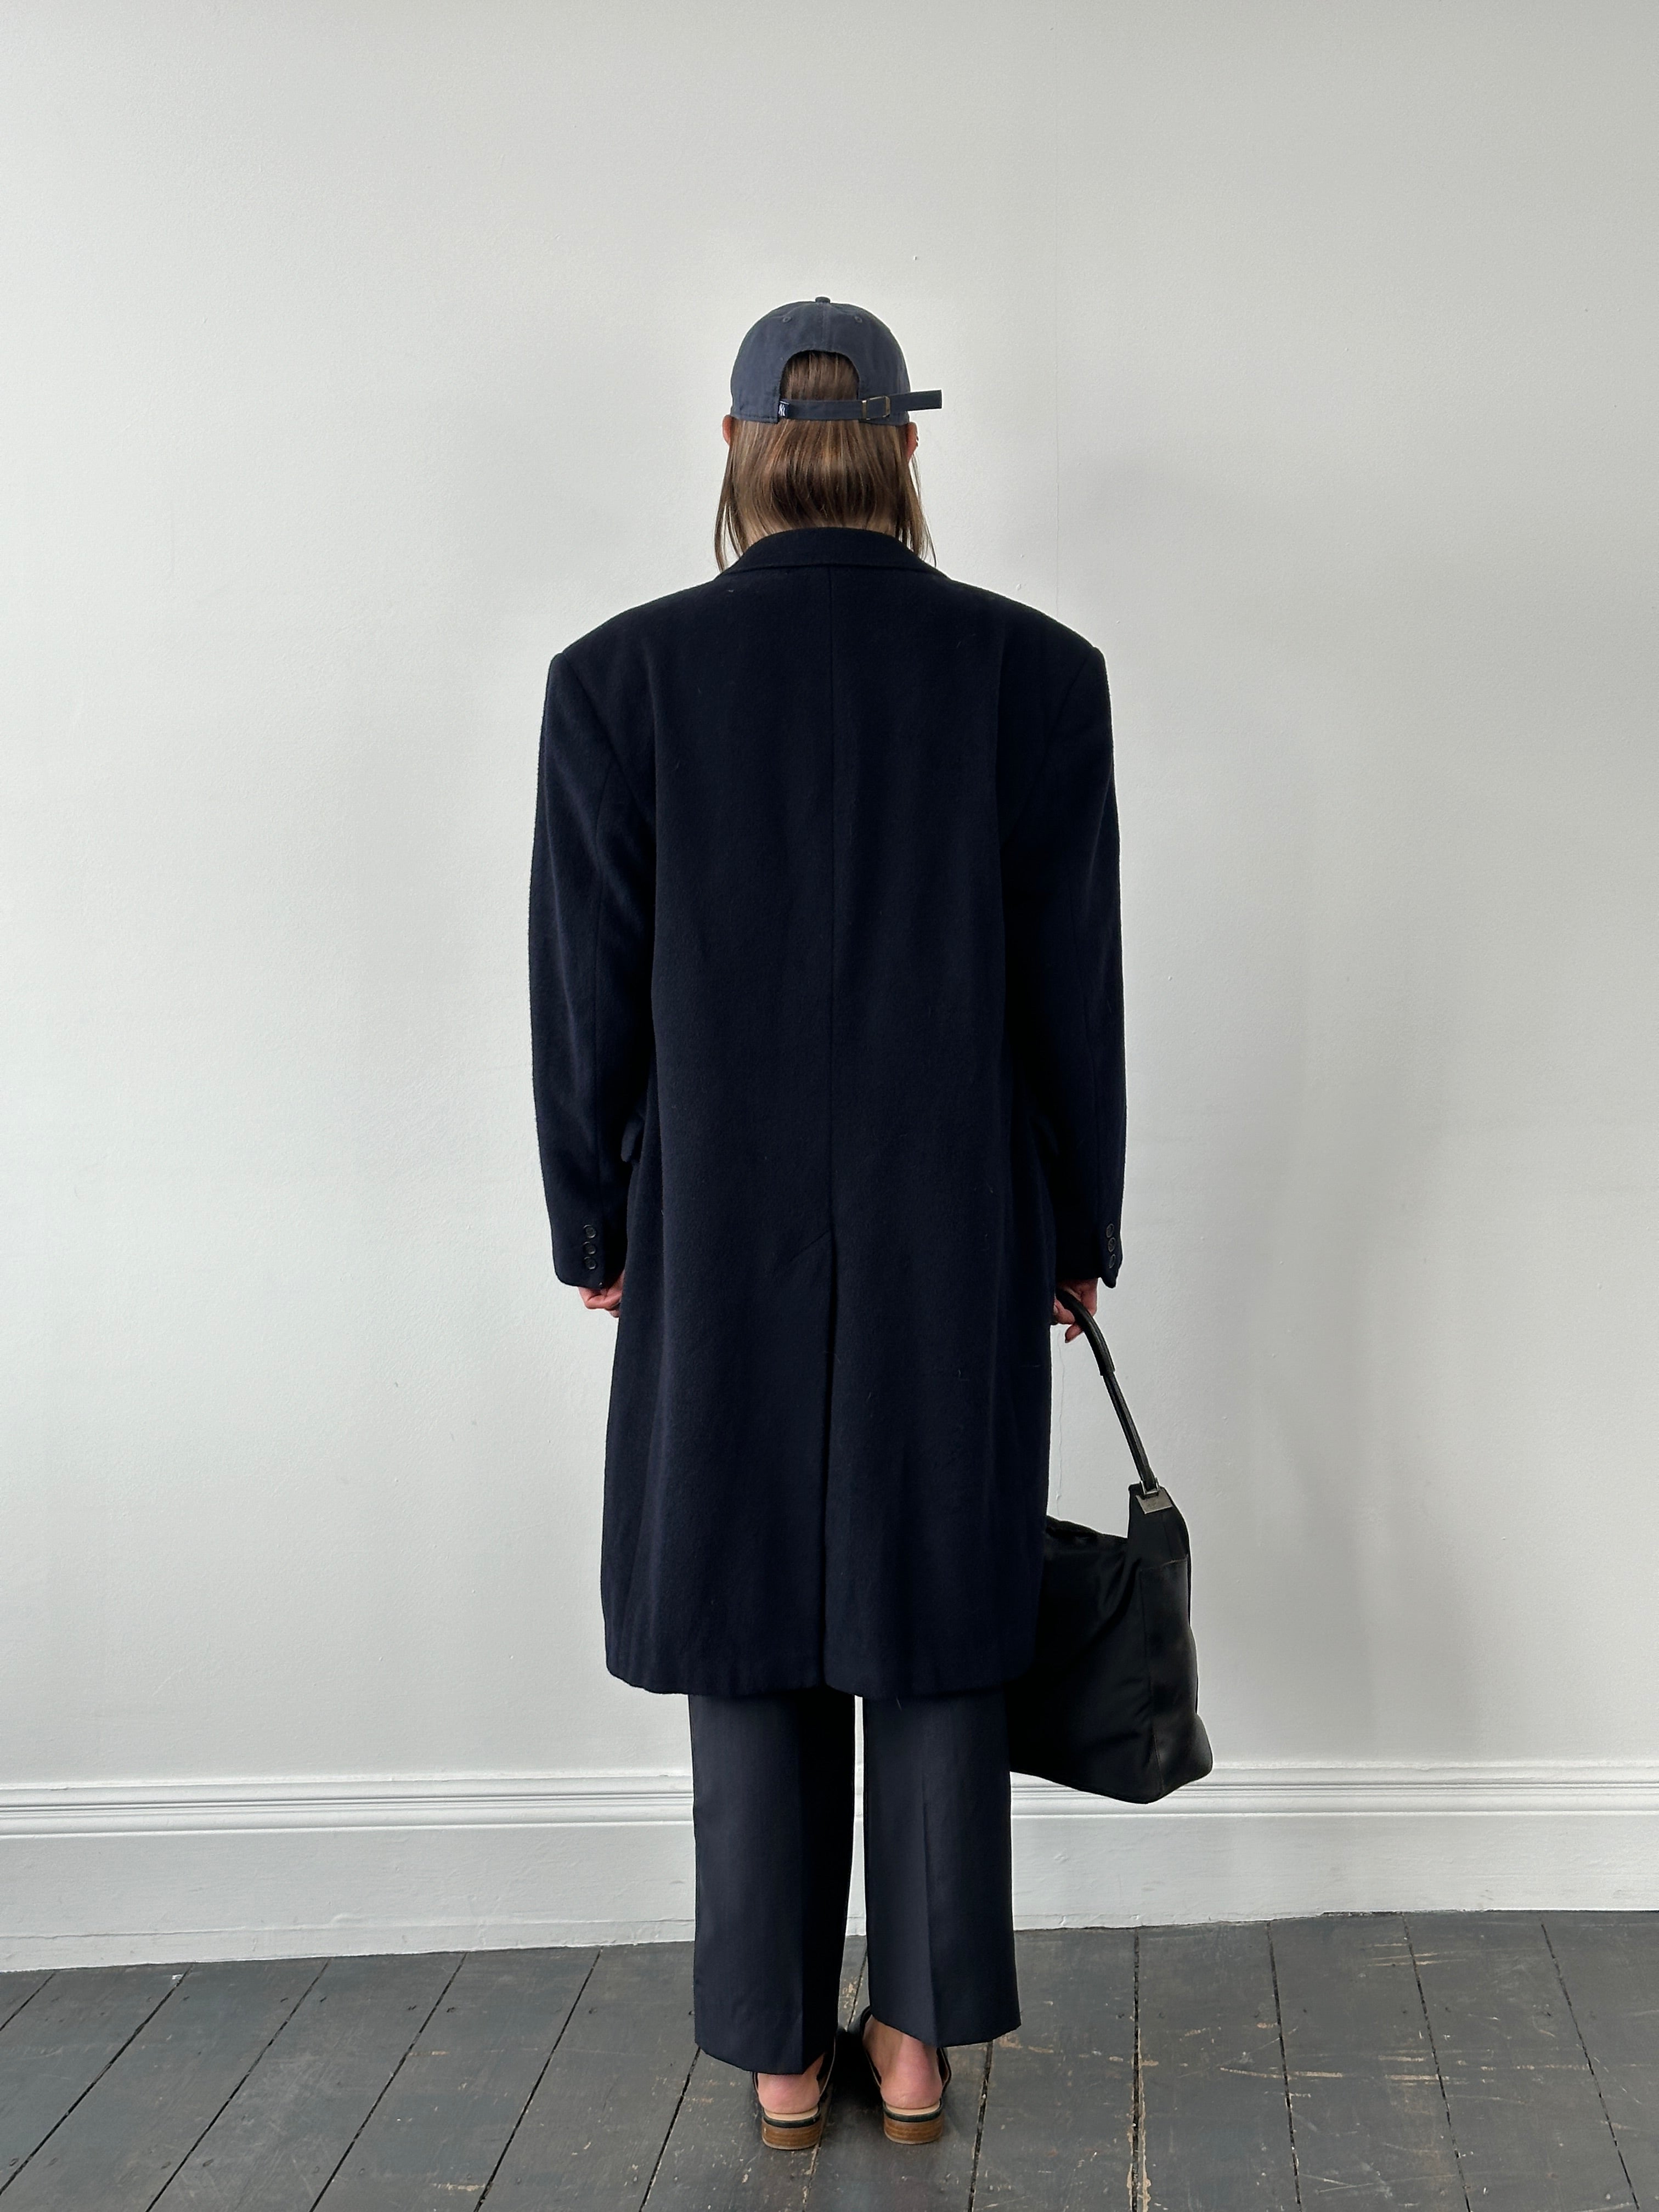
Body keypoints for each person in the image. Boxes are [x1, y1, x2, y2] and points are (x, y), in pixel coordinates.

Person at [528, 297, 1125, 2151]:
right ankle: (921, 2043)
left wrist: (591, 1219)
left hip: (712, 1218)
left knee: (745, 1617)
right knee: (937, 1609)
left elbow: (585, 992)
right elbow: (1072, 989)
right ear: (907, 449)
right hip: (961, 1214)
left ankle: (783, 2054)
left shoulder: (618, 680)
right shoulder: (1035, 674)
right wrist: (1077, 1224)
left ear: (735, 448)